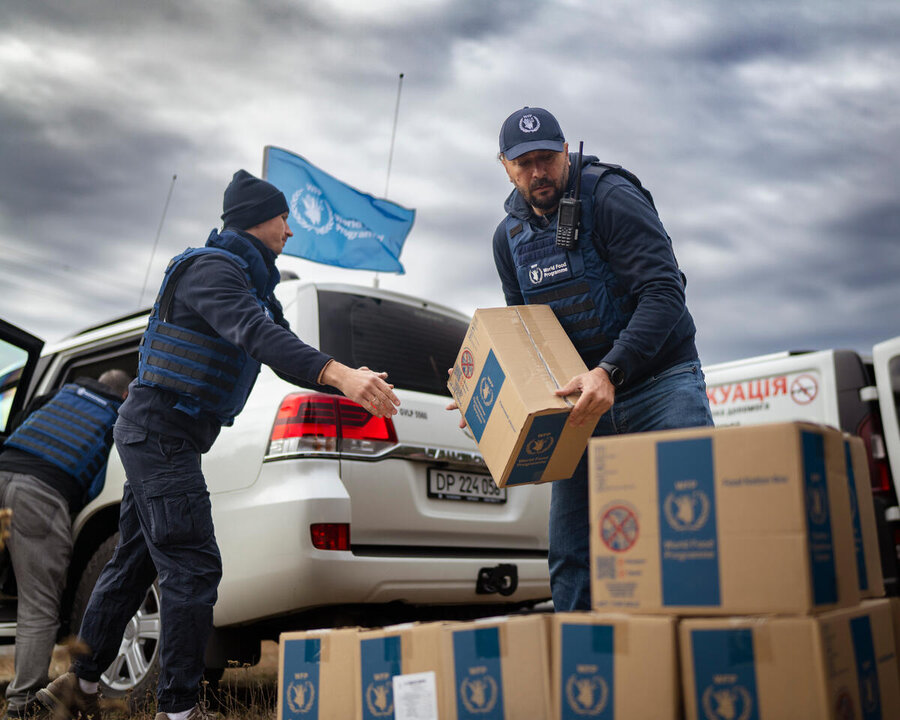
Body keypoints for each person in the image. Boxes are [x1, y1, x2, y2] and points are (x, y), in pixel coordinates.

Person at [37, 170, 400, 720]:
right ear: (258, 218)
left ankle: (77, 689)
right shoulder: (210, 271)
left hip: (169, 436)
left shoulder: (253, 283)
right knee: (193, 567)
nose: (290, 231)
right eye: (284, 219)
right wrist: (341, 376)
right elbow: (256, 335)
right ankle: (179, 710)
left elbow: (285, 346)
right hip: (158, 433)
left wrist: (348, 376)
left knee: (133, 565)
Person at [489, 107, 713, 611]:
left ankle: (702, 659)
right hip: (582, 409)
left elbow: (664, 292)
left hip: (660, 385)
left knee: (691, 539)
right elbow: (526, 336)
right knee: (573, 557)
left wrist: (610, 370)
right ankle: (585, 672)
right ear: (504, 165)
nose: (538, 172)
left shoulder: (610, 197)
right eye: (524, 163)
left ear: (565, 152)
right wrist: (491, 402)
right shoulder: (508, 239)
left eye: (547, 158)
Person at [0, 369, 131, 720]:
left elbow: (14, 432)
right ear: (124, 395)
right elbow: (99, 484)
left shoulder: (57, 396)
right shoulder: (118, 417)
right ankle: (23, 704)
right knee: (38, 606)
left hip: (2, 470)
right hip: (40, 493)